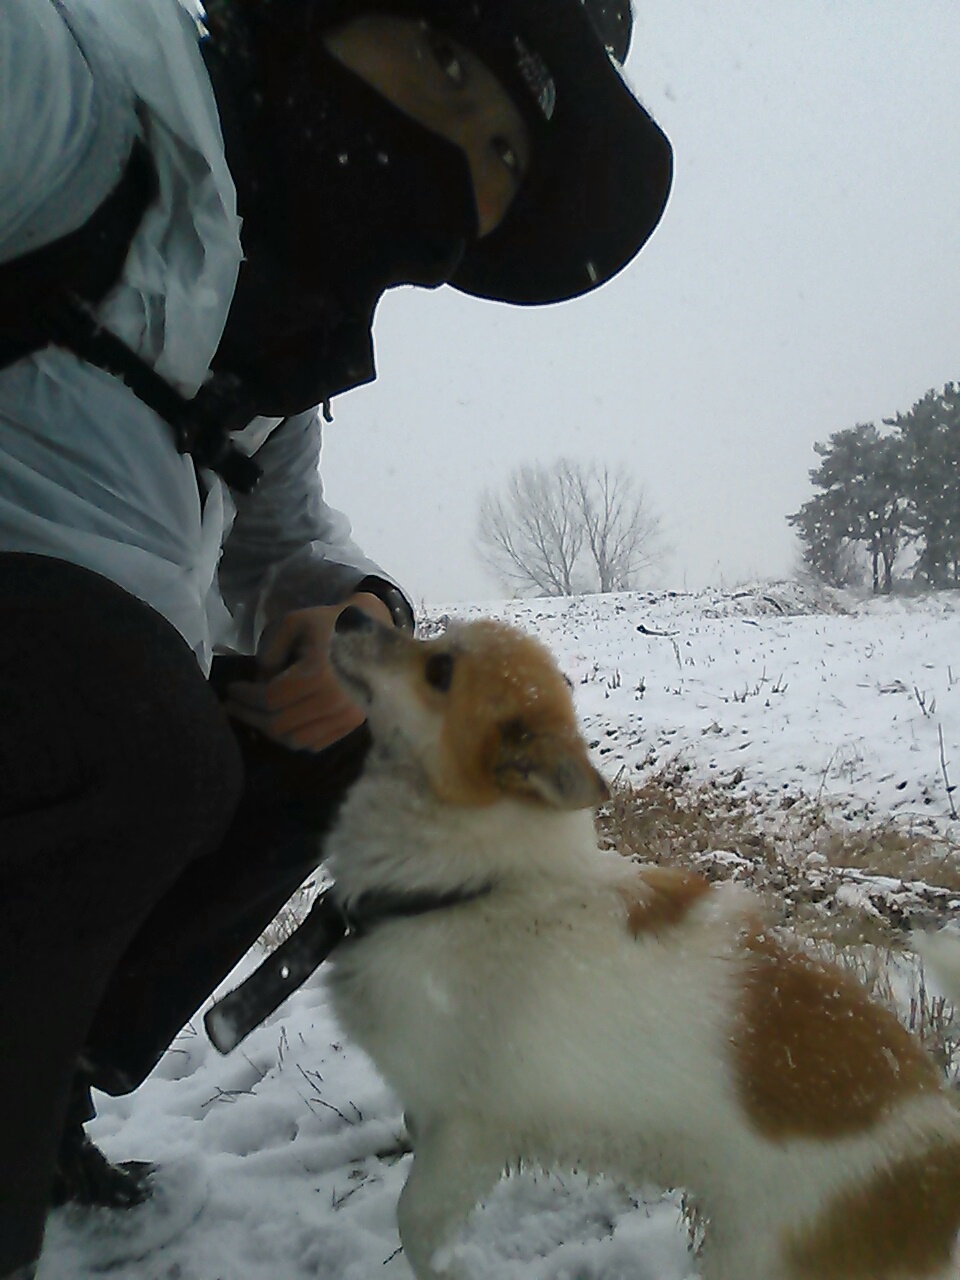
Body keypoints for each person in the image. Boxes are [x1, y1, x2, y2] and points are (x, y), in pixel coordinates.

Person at [0, 0, 671, 1273]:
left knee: (367, 731)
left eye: (501, 155)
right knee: (136, 737)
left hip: (76, 679)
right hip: (69, 691)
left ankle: (51, 1076)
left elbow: (283, 537)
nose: (456, 148)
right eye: (446, 57)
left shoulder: (265, 315)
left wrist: (362, 621)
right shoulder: (87, 93)